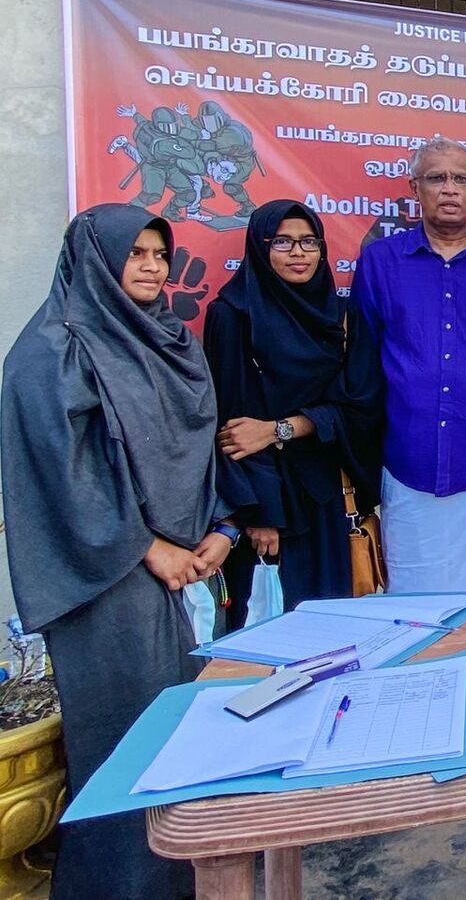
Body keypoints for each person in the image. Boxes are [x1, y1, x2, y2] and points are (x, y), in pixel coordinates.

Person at [1, 205, 238, 898]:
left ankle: (182, 878)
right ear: (96, 261)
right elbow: (59, 475)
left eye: (160, 254)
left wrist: (217, 527)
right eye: (135, 253)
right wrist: (147, 547)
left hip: (186, 568)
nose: (152, 267)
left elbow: (193, 450)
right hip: (107, 576)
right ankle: (120, 886)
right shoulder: (52, 352)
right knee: (127, 737)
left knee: (181, 728)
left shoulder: (168, 339)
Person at [353, 137, 466, 591]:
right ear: (415, 188)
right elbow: (363, 362)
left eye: (460, 179)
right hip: (408, 457)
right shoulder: (381, 262)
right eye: (436, 178)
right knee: (411, 600)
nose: (449, 189)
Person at [204, 199, 383, 627]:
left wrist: (281, 428)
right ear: (260, 247)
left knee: (330, 630)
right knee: (265, 630)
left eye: (309, 242)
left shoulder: (340, 318)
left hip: (327, 498)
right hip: (267, 506)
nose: (298, 252)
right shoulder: (233, 315)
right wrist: (259, 516)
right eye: (282, 242)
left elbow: (361, 406)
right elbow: (231, 426)